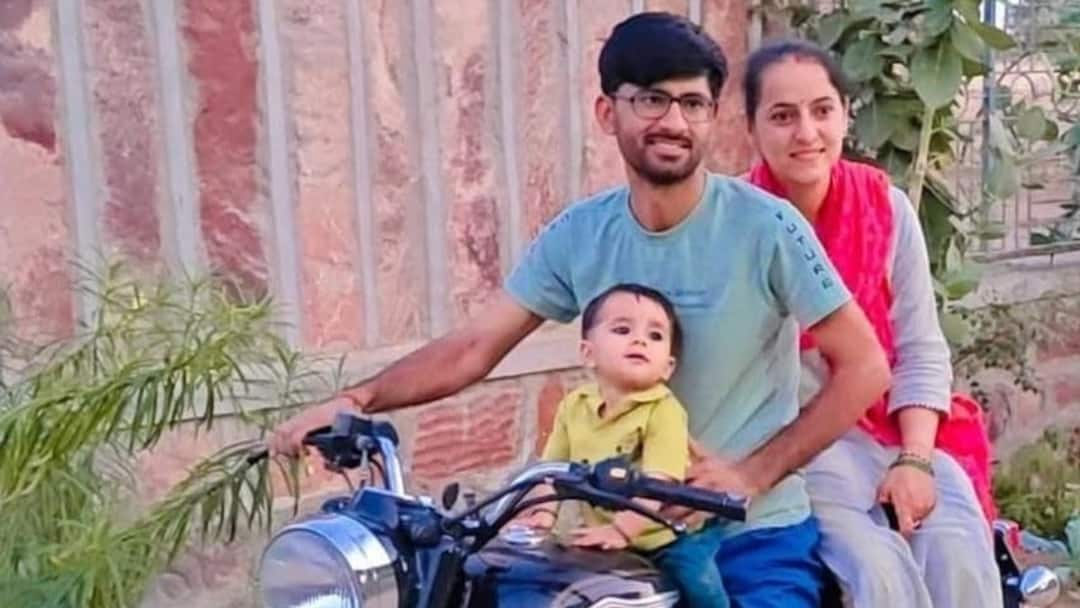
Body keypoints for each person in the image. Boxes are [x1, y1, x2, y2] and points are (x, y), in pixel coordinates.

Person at [270, 12, 891, 607]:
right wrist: (357, 400)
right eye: (652, 100)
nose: (674, 121)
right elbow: (474, 347)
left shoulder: (767, 227)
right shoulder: (580, 234)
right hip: (610, 541)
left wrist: (751, 476)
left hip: (747, 538)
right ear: (606, 112)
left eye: (693, 103)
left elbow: (865, 367)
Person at [741, 39, 1003, 607]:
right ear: (751, 129)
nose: (806, 132)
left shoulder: (886, 209)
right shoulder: (738, 223)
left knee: (958, 551)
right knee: (876, 569)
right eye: (782, 116)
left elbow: (920, 349)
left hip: (900, 429)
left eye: (822, 110)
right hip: (806, 445)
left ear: (844, 114)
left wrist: (915, 461)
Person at [519, 283, 729, 608]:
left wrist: (621, 531)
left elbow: (660, 483)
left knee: (698, 581)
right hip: (608, 536)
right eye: (622, 329)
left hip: (667, 537)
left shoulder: (664, 411)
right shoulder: (574, 406)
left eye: (655, 335)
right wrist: (544, 515)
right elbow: (551, 472)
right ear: (588, 353)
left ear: (667, 367)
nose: (639, 340)